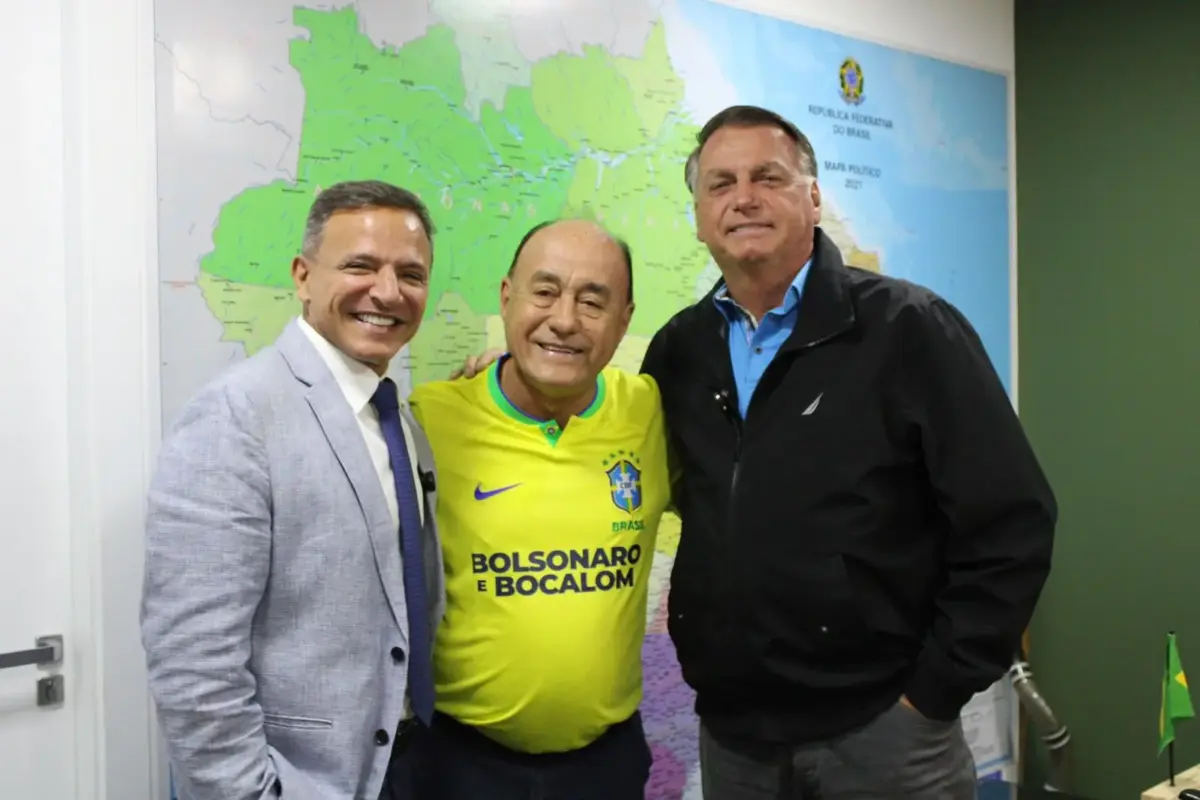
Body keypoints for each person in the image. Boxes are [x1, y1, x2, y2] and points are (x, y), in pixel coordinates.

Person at [457, 105, 1058, 799]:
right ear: (699, 216)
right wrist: (509, 381)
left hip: (884, 735)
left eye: (767, 177)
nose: (743, 198)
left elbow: (1011, 522)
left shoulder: (908, 329)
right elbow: (604, 433)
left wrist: (934, 692)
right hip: (736, 738)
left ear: (813, 197)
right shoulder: (681, 351)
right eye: (720, 183)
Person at [141, 180, 445, 800]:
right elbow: (193, 665)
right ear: (303, 277)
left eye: (410, 274)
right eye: (360, 266)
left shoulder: (398, 421)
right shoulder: (237, 416)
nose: (388, 292)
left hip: (405, 766)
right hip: (299, 783)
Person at [407, 218, 669, 799]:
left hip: (606, 766)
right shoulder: (430, 418)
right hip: (460, 765)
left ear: (625, 318)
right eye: (545, 292)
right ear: (507, 298)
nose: (565, 319)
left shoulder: (651, 412)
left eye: (593, 302)